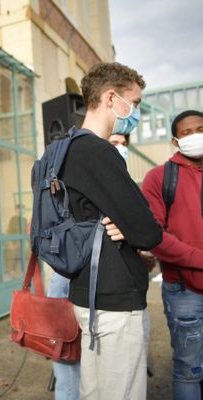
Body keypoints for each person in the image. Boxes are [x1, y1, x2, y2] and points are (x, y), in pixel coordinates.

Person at [59, 62, 162, 399]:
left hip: (84, 292)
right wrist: (132, 227)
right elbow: (148, 232)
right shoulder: (99, 153)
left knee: (93, 390)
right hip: (117, 299)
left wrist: (126, 224)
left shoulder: (59, 151)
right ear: (110, 97)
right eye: (134, 102)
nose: (136, 111)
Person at [141, 109, 203, 399]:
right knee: (189, 369)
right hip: (184, 292)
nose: (195, 136)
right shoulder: (158, 178)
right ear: (176, 141)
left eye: (200, 129)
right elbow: (154, 236)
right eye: (187, 133)